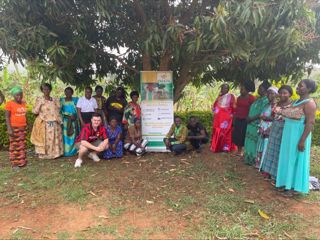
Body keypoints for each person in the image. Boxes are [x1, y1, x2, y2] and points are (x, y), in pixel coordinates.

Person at [276, 79, 317, 195]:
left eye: (301, 86)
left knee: (296, 159)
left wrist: (302, 141)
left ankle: (294, 188)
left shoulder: (310, 103)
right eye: (298, 85)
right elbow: (288, 113)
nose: (297, 87)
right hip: (289, 134)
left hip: (299, 135)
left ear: (308, 89)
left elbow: (310, 123)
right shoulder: (296, 101)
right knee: (288, 158)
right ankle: (286, 184)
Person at [260, 85, 293, 181]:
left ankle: (278, 175)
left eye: (285, 93)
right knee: (272, 151)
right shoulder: (277, 104)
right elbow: (272, 117)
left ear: (290, 94)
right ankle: (270, 173)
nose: (282, 95)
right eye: (281, 92)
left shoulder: (292, 105)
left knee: (280, 152)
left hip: (285, 130)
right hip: (274, 129)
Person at [31, 83, 63, 159]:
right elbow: (35, 111)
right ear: (42, 90)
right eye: (44, 89)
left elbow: (58, 111)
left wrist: (60, 121)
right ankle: (45, 155)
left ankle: (55, 154)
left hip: (55, 123)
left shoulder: (55, 100)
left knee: (54, 139)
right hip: (44, 123)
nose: (46, 91)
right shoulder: (40, 100)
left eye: (48, 89)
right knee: (45, 140)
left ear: (50, 90)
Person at [243, 81, 271, 165]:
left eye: (261, 88)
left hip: (256, 124)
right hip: (250, 123)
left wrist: (251, 118)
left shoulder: (266, 100)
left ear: (266, 90)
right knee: (249, 140)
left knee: (254, 141)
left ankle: (253, 159)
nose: (259, 89)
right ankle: (247, 157)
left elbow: (262, 113)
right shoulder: (258, 99)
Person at [255, 86, 278, 169]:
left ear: (276, 95)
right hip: (262, 129)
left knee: (266, 147)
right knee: (261, 146)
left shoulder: (276, 106)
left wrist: (266, 118)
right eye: (268, 93)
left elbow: (276, 118)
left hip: (269, 130)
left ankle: (264, 166)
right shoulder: (267, 105)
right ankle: (259, 164)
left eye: (272, 93)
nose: (269, 95)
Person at [5, 86, 27, 168]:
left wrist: (27, 124)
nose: (19, 97)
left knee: (22, 145)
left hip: (23, 127)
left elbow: (25, 115)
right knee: (14, 146)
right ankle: (15, 164)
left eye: (21, 95)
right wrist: (9, 128)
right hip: (14, 128)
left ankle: (22, 162)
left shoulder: (24, 103)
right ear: (13, 95)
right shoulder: (9, 104)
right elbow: (7, 117)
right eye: (17, 95)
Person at [232, 81, 256, 156]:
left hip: (246, 120)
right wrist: (234, 119)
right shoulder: (238, 98)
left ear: (247, 90)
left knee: (244, 136)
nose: (241, 91)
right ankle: (238, 151)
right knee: (238, 135)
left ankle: (244, 151)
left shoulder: (251, 98)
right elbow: (236, 109)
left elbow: (254, 109)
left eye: (242, 89)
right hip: (238, 119)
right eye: (240, 89)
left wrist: (250, 118)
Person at [210, 84, 236, 152]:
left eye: (226, 88)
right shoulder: (219, 97)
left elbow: (233, 107)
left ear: (228, 89)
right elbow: (214, 107)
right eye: (223, 88)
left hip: (226, 119)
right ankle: (216, 147)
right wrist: (216, 112)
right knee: (217, 131)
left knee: (226, 132)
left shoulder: (231, 96)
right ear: (221, 89)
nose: (224, 89)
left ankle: (225, 148)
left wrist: (232, 116)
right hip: (218, 118)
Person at [60, 87, 79, 157]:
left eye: (69, 92)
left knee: (74, 135)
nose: (68, 93)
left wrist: (75, 116)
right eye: (66, 92)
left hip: (74, 120)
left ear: (72, 93)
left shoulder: (76, 99)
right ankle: (66, 151)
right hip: (65, 121)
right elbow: (59, 111)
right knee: (66, 136)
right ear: (64, 93)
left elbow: (78, 109)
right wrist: (64, 118)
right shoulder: (61, 100)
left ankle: (74, 150)